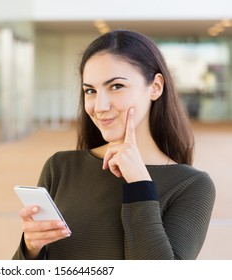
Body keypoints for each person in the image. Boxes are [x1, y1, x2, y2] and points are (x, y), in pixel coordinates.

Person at [12, 30, 216, 260]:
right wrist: (30, 249)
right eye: (90, 90)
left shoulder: (191, 185)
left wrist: (139, 184)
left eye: (116, 86)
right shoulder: (60, 167)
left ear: (156, 87)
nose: (99, 106)